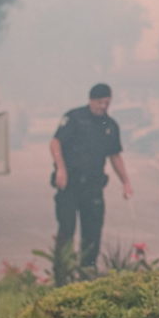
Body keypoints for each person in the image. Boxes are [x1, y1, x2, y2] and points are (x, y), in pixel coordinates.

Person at [49, 83, 133, 284]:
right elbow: (55, 142)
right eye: (100, 102)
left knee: (92, 234)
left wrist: (126, 182)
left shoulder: (110, 126)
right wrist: (61, 168)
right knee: (66, 229)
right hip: (69, 185)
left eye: (107, 103)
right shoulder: (74, 118)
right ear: (91, 100)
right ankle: (61, 276)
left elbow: (115, 155)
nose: (103, 106)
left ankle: (87, 276)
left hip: (93, 186)